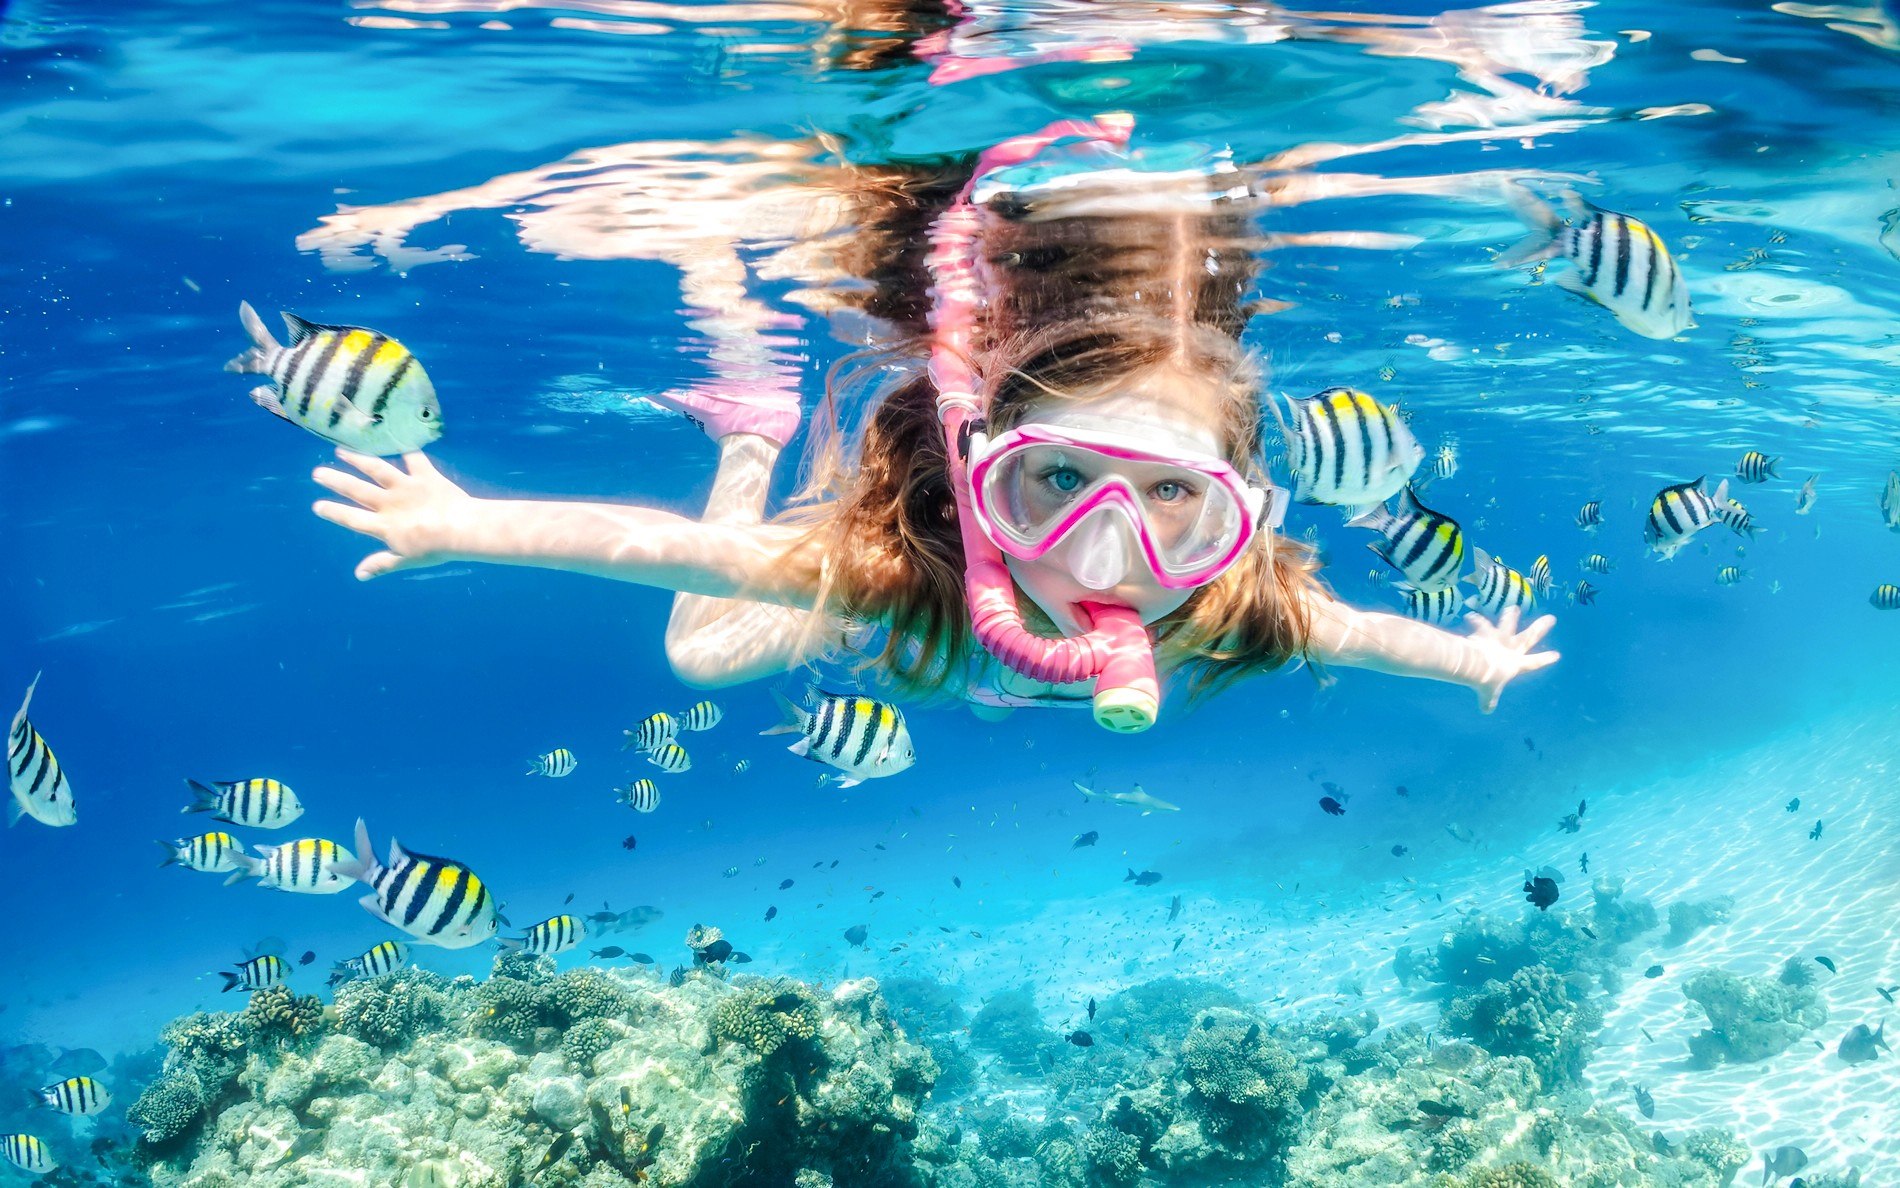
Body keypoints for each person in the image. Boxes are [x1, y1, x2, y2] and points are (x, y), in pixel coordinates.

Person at [308, 116, 1557, 732]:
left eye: (1171, 496)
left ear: (1245, 514)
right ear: (980, 473)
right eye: (1056, 480)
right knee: (698, 656)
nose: (1102, 554)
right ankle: (751, 428)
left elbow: (1367, 636)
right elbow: (693, 553)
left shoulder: (1232, 603)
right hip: (912, 585)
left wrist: (1476, 661)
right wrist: (464, 526)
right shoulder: (905, 576)